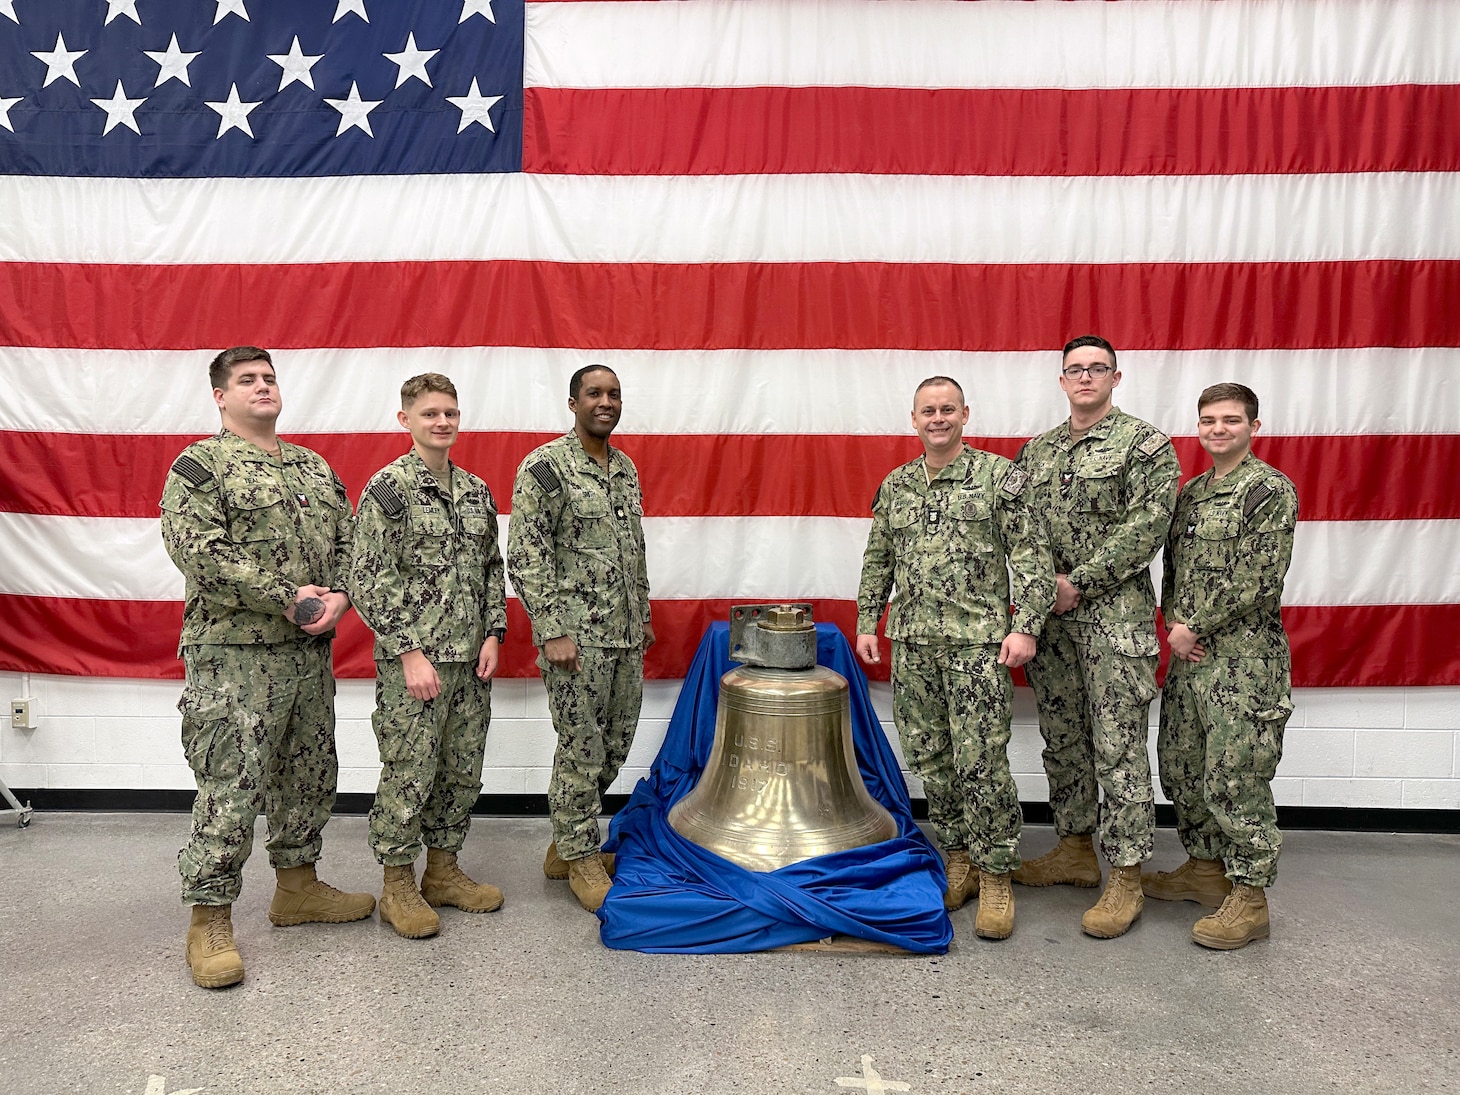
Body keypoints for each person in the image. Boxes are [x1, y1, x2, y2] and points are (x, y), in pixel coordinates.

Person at [160, 346, 375, 990]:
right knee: (233, 783)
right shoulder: (201, 467)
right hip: (235, 656)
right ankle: (209, 918)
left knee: (310, 773)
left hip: (306, 657)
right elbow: (199, 552)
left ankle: (298, 888)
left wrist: (339, 596)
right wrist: (291, 596)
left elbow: (351, 541)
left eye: (269, 378)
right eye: (247, 380)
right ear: (220, 397)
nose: (262, 387)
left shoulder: (312, 468)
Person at [855, 377, 1054, 940]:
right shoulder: (896, 485)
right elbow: (879, 559)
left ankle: (996, 874)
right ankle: (959, 854)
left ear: (965, 414)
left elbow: (1032, 560)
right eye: (928, 411)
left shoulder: (997, 479)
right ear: (913, 419)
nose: (938, 418)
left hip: (978, 646)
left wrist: (1027, 628)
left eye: (947, 409)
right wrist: (868, 621)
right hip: (914, 645)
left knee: (981, 762)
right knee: (931, 758)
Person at [1013, 334, 1180, 939]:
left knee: (1118, 745)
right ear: (1061, 381)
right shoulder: (1037, 453)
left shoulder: (1145, 445)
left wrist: (1077, 580)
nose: (1085, 378)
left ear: (1115, 377)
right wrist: (1039, 593)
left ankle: (1128, 873)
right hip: (1053, 622)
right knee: (1062, 737)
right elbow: (1021, 529)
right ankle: (1076, 849)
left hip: (1115, 618)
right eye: (1074, 370)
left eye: (1096, 369)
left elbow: (1148, 527)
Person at [348, 373, 509, 939]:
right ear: (406, 421)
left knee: (462, 770)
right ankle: (398, 884)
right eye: (430, 413)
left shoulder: (475, 490)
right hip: (416, 664)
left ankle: (442, 871)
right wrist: (408, 652)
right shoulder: (388, 490)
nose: (443, 422)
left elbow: (492, 567)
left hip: (471, 659)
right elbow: (368, 576)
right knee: (410, 772)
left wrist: (494, 632)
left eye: (451, 412)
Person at [1145, 383, 1297, 949]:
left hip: (1244, 661)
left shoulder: (1268, 490)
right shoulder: (1191, 493)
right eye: (1208, 420)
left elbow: (1258, 579)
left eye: (1230, 420)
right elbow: (1176, 572)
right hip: (1191, 658)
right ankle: (1206, 869)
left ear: (1253, 426)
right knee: (1182, 767)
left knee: (1237, 777)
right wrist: (1173, 629)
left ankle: (1251, 895)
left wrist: (1193, 627)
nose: (1217, 429)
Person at [506, 364, 653, 913]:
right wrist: (551, 631)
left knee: (614, 745)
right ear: (573, 403)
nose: (606, 401)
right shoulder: (546, 467)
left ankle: (564, 845)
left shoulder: (625, 469)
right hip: (576, 641)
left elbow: (631, 547)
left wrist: (643, 614)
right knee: (582, 748)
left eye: (614, 393)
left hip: (622, 634)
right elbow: (527, 554)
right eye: (595, 393)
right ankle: (581, 856)